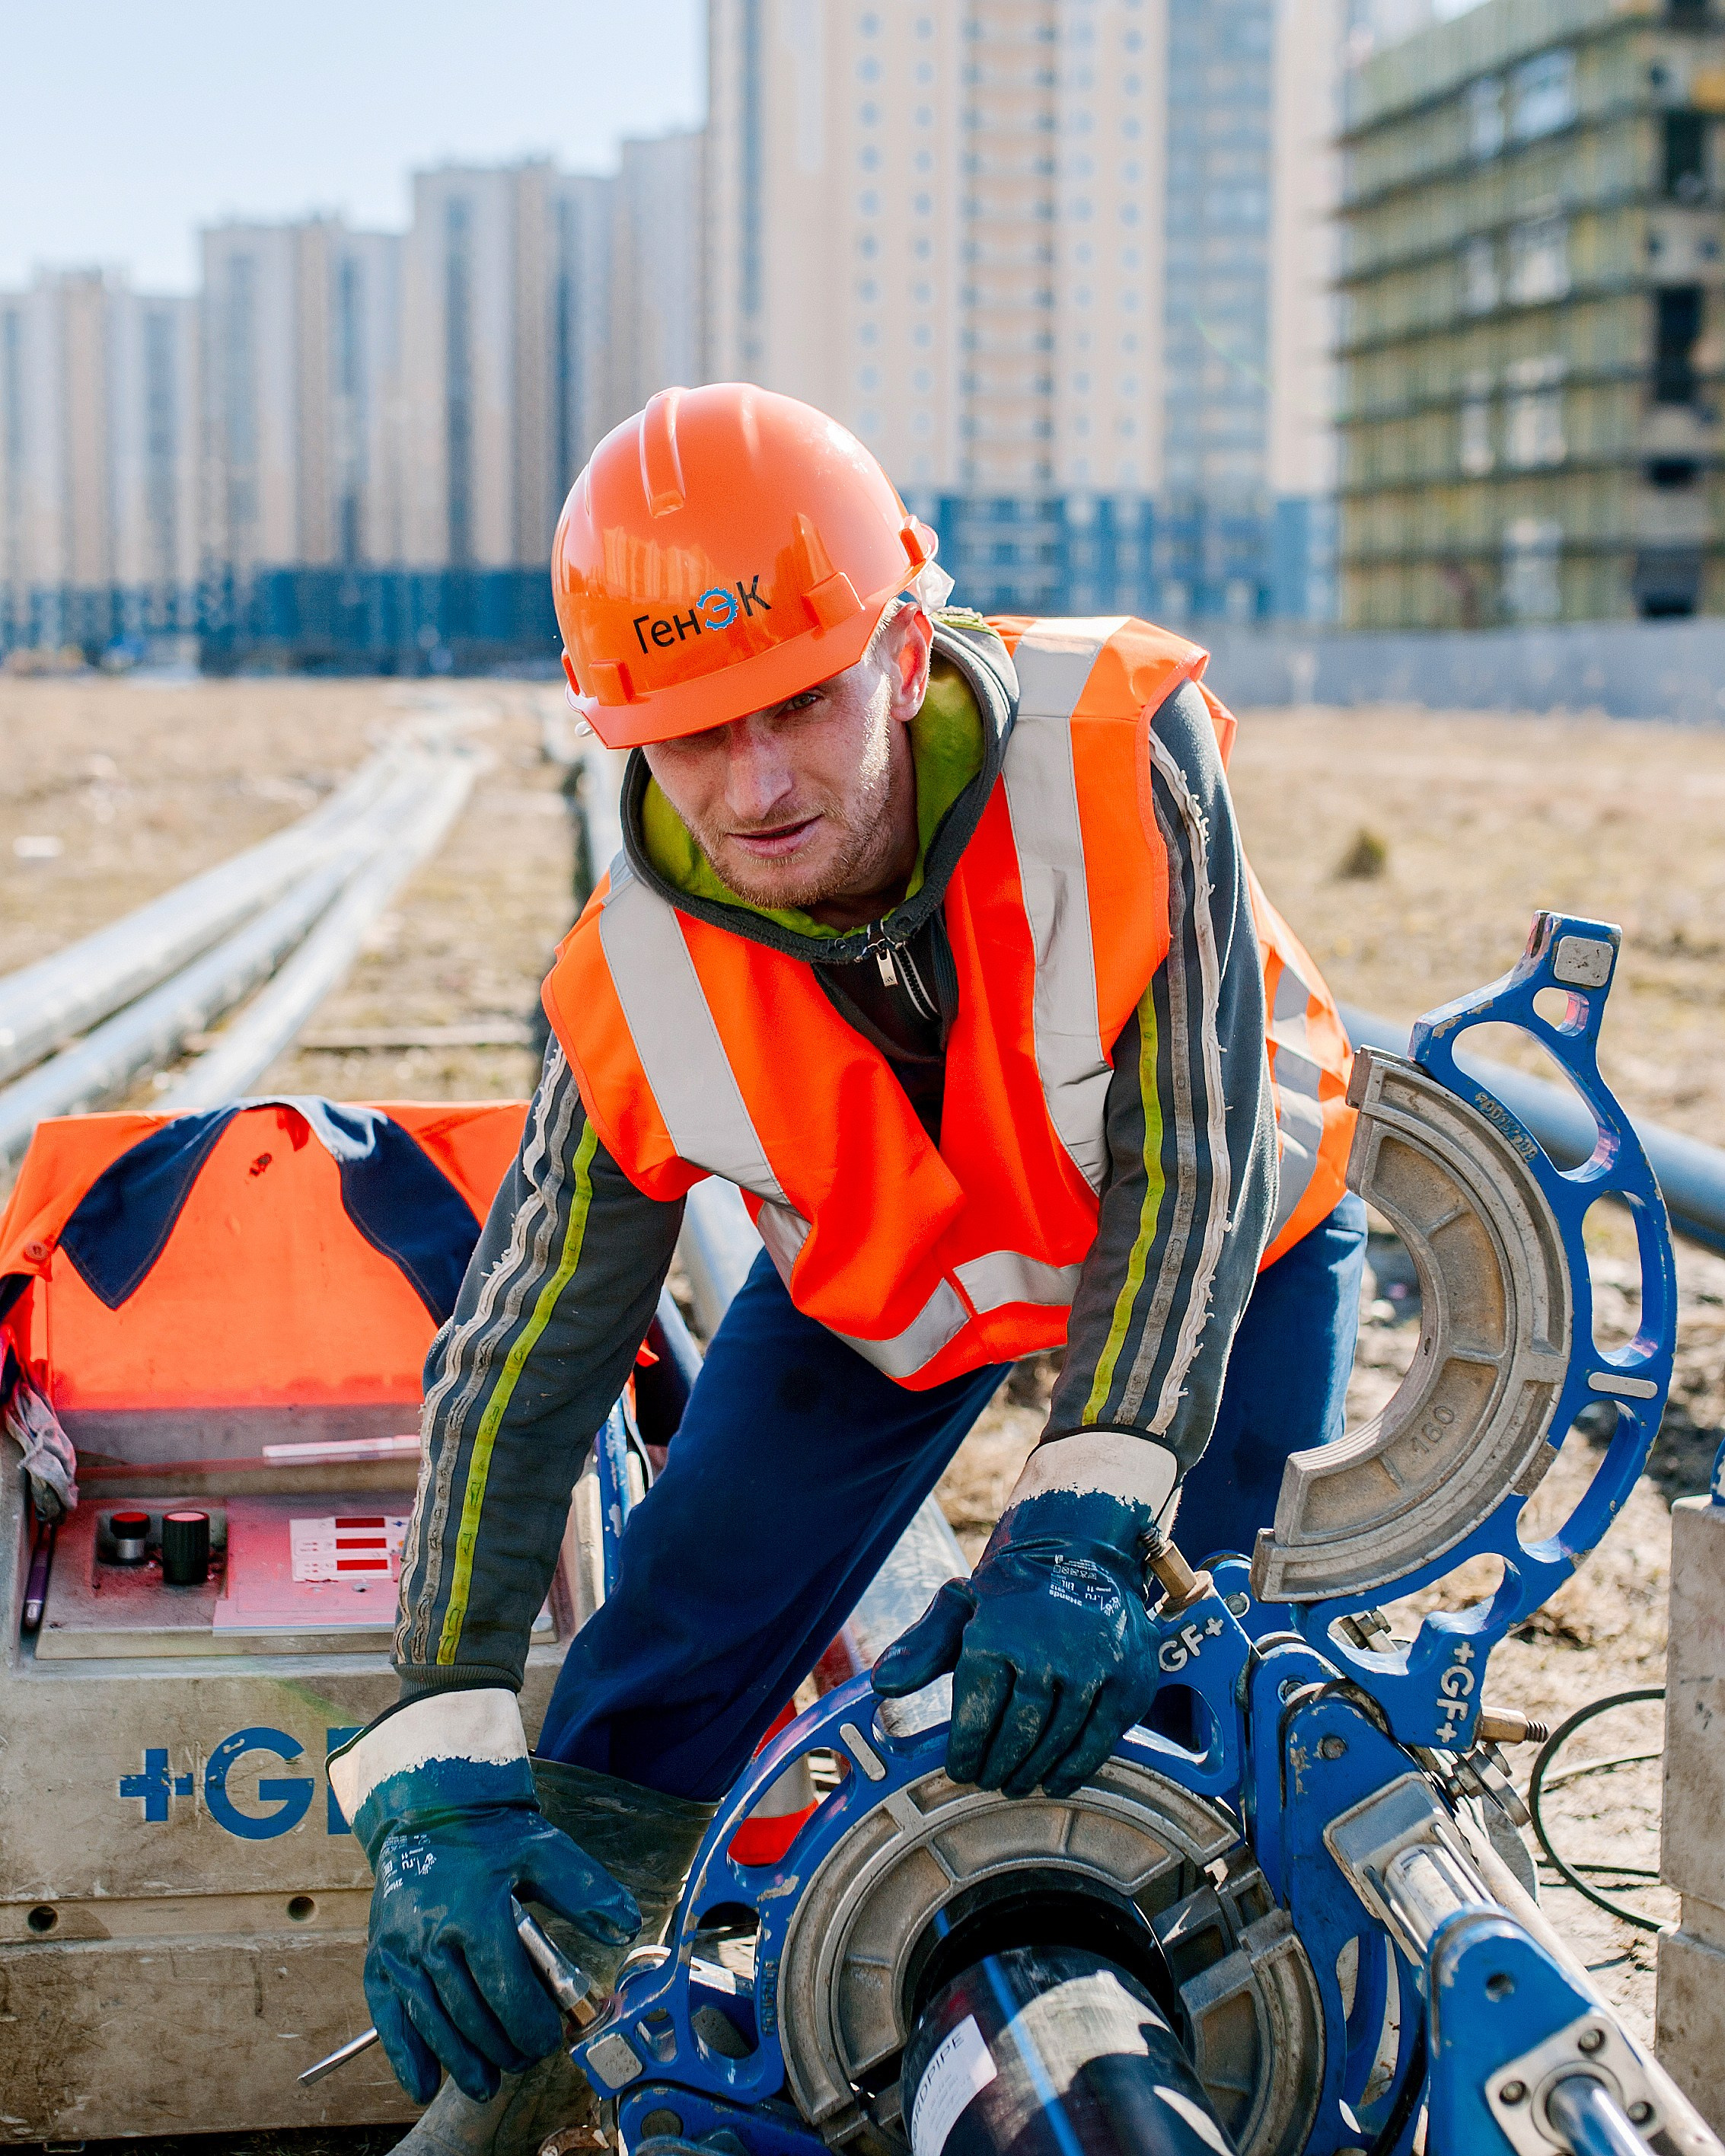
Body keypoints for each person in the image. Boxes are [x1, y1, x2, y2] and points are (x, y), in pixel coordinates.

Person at [328, 384, 1365, 2156]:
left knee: (1243, 1682)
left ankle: (1272, 2053)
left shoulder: (1111, 747)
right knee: (658, 1657)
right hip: (898, 1285)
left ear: (900, 645)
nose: (754, 786)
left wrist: (1088, 1516)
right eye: (689, 735)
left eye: (796, 702)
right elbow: (518, 1357)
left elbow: (1188, 1148)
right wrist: (431, 1752)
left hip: (1219, 1255)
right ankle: (523, 2076)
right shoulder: (632, 974)